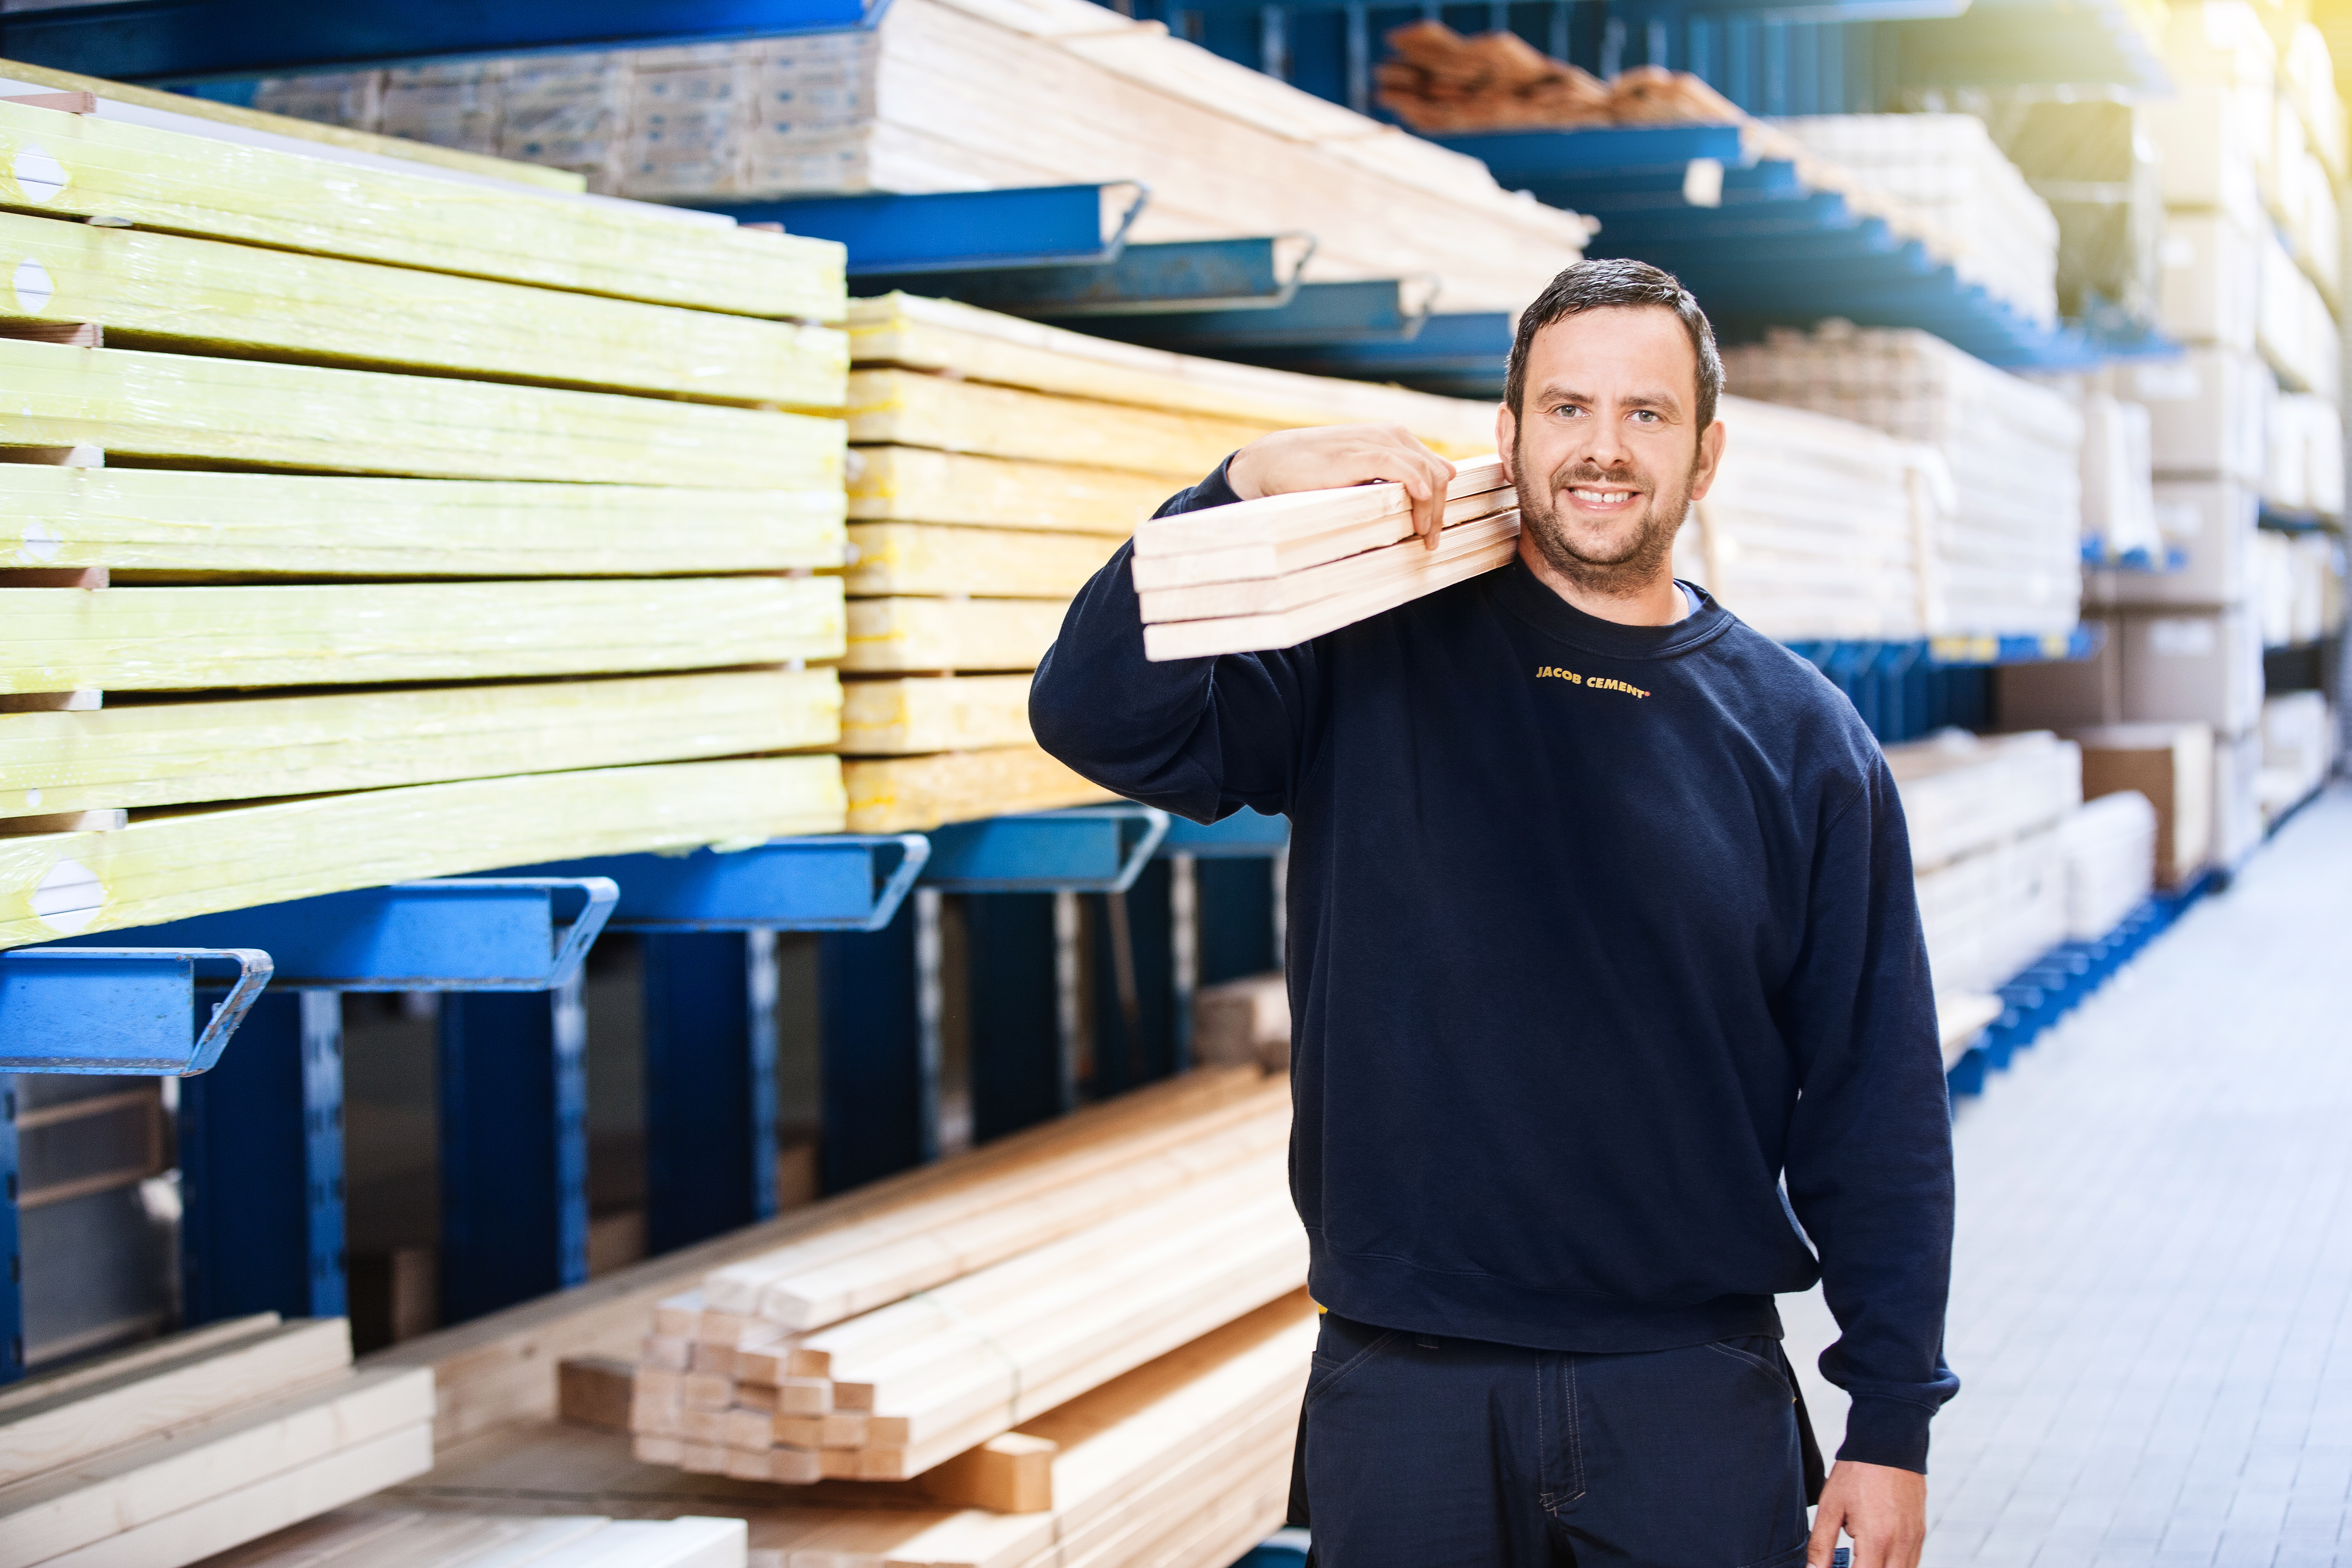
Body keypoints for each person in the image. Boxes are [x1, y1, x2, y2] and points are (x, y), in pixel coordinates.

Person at [1029, 258, 1957, 1568]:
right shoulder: (1367, 656)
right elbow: (1091, 716)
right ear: (1508, 434)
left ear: (1707, 455)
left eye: (1648, 414)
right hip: (1407, 1396)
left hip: (1686, 1392)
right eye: (1567, 409)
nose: (1603, 450)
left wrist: (1893, 1419)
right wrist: (1231, 492)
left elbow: (1879, 1100)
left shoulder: (1805, 744)